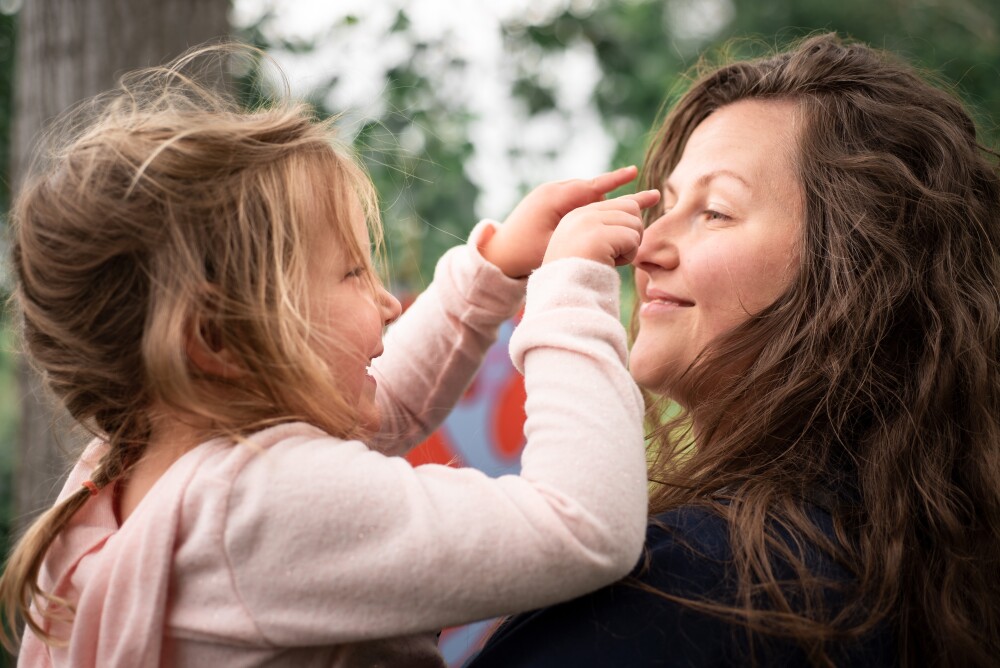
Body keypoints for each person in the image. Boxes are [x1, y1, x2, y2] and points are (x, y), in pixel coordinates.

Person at [0, 45, 661, 666]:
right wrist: (570, 288)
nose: (388, 301)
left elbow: (377, 410)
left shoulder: (121, 479)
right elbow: (582, 527)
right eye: (350, 272)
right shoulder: (256, 506)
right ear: (217, 338)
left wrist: (490, 271)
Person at [468, 32, 1000, 667]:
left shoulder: (697, 586)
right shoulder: (935, 566)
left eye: (716, 212)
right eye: (664, 205)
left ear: (855, 274)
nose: (644, 246)